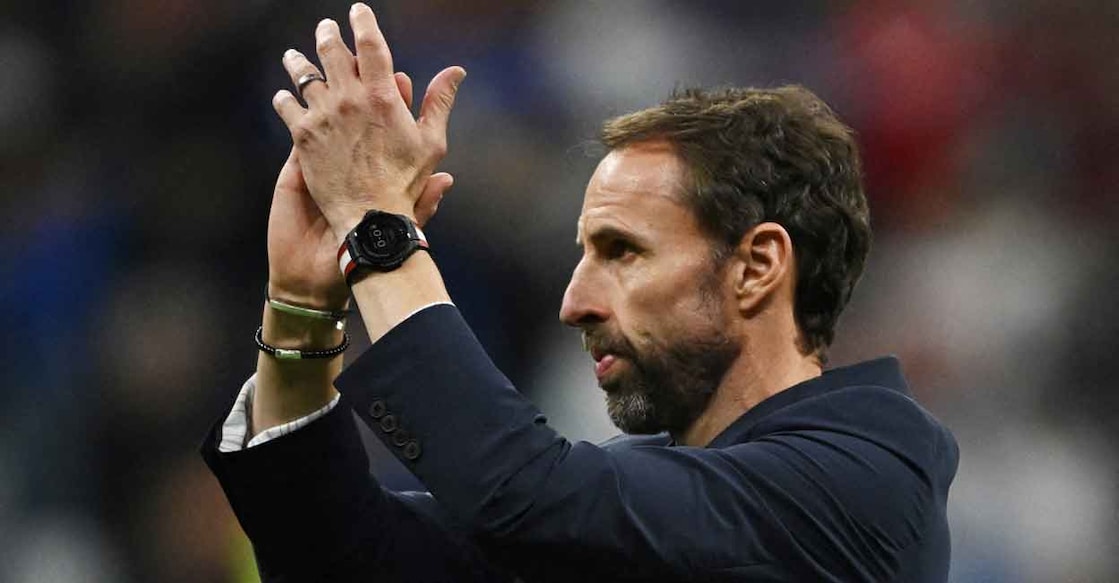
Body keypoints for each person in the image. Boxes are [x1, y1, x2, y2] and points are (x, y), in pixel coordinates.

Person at [201, 4, 958, 581]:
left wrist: (377, 227)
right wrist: (301, 308)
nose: (573, 304)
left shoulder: (866, 476)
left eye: (622, 252)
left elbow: (520, 492)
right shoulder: (634, 504)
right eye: (583, 254)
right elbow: (337, 556)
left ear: (757, 266)